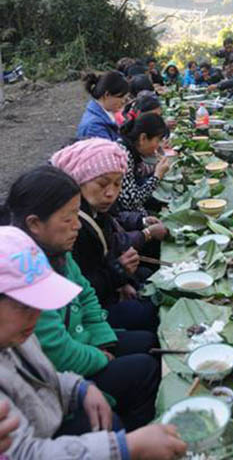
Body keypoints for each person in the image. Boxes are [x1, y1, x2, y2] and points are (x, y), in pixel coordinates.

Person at [0, 226, 187, 459]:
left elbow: (41, 376)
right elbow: (25, 453)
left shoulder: (16, 337)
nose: (37, 316)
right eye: (24, 306)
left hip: (50, 415)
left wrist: (78, 388)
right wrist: (124, 447)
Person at [1, 167, 161, 431]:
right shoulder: (23, 273)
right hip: (64, 377)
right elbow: (57, 352)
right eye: (68, 218)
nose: (77, 224)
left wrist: (103, 339)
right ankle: (130, 431)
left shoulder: (59, 252)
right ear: (34, 224)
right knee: (143, 368)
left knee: (147, 343)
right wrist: (99, 358)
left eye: (77, 214)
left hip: (78, 353)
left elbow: (85, 294)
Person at [51, 139, 165, 331]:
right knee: (150, 314)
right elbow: (80, 289)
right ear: (79, 180)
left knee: (148, 279)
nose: (111, 193)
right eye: (102, 184)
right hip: (89, 313)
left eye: (117, 184)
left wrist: (123, 279)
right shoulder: (75, 227)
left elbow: (114, 230)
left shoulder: (96, 209)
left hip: (108, 289)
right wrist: (119, 272)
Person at [117, 113, 170, 214]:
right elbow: (130, 202)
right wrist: (157, 176)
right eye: (158, 140)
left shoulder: (130, 149)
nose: (158, 146)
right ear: (143, 138)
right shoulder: (123, 155)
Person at [77, 71, 129, 141]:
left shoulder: (106, 115)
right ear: (107, 95)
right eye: (121, 97)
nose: (123, 102)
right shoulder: (94, 127)